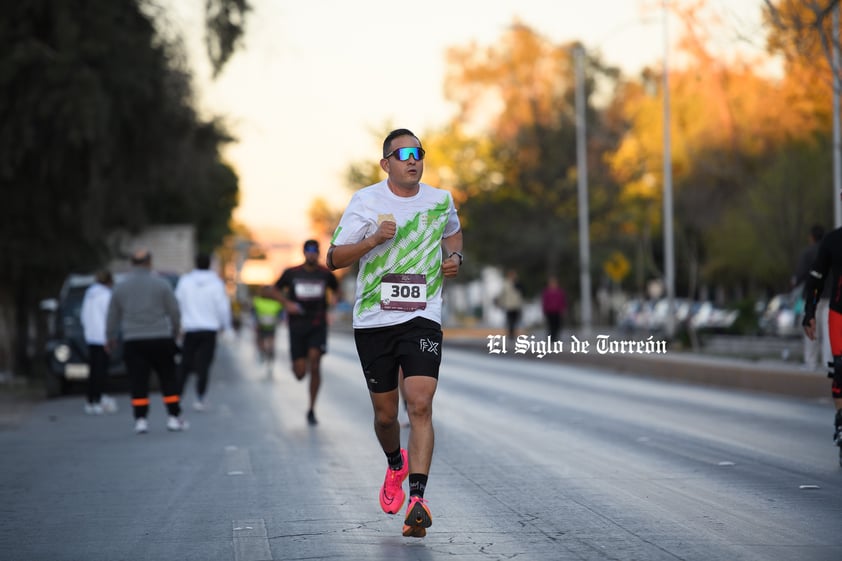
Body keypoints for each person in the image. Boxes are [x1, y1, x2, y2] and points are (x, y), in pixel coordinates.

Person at [327, 128, 463, 538]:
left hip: (422, 315)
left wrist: (453, 254)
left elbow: (452, 231)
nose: (413, 159)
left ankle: (418, 499)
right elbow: (333, 258)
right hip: (373, 320)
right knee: (386, 416)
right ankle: (394, 464)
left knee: (419, 405)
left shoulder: (440, 201)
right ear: (386, 163)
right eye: (403, 153)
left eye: (418, 152)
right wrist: (371, 241)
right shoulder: (365, 201)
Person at [106, 249, 187, 434]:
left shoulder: (121, 287)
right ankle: (173, 417)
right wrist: (176, 331)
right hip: (160, 337)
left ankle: (141, 419)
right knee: (168, 378)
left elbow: (112, 314)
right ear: (149, 263)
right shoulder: (161, 284)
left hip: (133, 340)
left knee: (138, 381)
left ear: (132, 264)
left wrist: (110, 337)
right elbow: (174, 310)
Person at [274, 239, 339, 425]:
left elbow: (336, 290)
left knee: (316, 365)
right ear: (304, 253)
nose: (311, 254)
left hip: (317, 325)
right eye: (308, 251)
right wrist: (286, 303)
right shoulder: (292, 273)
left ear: (318, 253)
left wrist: (334, 301)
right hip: (297, 327)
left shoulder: (326, 274)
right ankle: (300, 363)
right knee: (300, 373)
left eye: (314, 251)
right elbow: (271, 290)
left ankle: (311, 409)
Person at [802, 215, 842, 465]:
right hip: (839, 313)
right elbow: (816, 280)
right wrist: (809, 313)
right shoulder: (833, 240)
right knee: (840, 367)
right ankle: (841, 418)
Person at [175, 252, 232, 411]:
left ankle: (177, 397)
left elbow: (177, 303)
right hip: (209, 330)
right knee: (204, 365)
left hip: (190, 328)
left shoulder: (185, 281)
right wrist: (226, 327)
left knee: (185, 365)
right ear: (209, 264)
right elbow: (223, 308)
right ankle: (200, 398)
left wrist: (178, 325)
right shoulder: (216, 283)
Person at [79, 269, 118, 415]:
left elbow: (84, 316)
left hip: (91, 337)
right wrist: (111, 336)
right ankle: (98, 398)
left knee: (93, 370)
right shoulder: (106, 295)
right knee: (101, 371)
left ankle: (91, 400)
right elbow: (110, 318)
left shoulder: (89, 294)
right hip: (103, 338)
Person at [794, 224, 831, 371]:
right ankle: (829, 363)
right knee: (828, 332)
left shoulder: (808, 253)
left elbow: (800, 275)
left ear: (812, 237)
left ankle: (811, 363)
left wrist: (794, 282)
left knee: (811, 330)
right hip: (830, 296)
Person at [252, 285, 283, 373]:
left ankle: (270, 356)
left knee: (271, 343)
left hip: (271, 326)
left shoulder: (276, 302)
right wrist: (255, 322)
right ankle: (263, 353)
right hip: (260, 325)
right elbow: (254, 312)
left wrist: (279, 320)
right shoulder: (258, 301)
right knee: (260, 342)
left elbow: (281, 313)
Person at [496, 269, 524, 340]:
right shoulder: (506, 283)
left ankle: (514, 333)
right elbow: (503, 294)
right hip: (509, 305)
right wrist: (501, 303)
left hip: (517, 305)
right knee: (510, 320)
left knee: (516, 320)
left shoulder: (518, 283)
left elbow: (521, 293)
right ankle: (511, 334)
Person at [542, 276, 567, 341]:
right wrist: (545, 309)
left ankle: (555, 336)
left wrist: (563, 309)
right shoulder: (546, 292)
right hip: (549, 311)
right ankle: (551, 337)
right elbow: (544, 301)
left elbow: (562, 301)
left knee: (557, 325)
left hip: (557, 311)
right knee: (550, 325)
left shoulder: (560, 292)